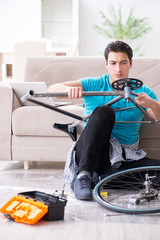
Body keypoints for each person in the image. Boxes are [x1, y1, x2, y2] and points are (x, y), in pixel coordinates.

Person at [48, 40, 160, 200]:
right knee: (104, 111)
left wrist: (152, 103)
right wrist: (68, 90)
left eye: (123, 63)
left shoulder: (143, 91)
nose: (118, 69)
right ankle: (83, 176)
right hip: (92, 154)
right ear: (106, 64)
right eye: (113, 63)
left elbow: (159, 118)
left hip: (123, 159)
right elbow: (52, 90)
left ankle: (101, 179)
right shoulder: (93, 84)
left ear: (131, 63)